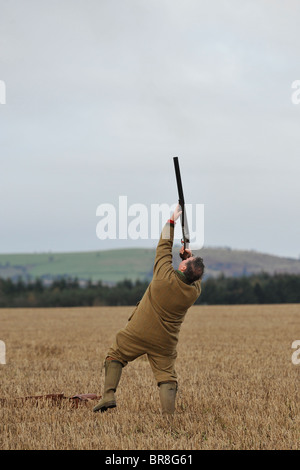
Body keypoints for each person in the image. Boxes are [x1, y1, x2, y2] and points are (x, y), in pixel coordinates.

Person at [93, 204, 205, 417]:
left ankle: (108, 396)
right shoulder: (193, 292)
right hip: (165, 341)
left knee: (115, 354)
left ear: (182, 267)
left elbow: (163, 247)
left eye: (186, 261)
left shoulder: (163, 275)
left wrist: (171, 221)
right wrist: (187, 261)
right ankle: (168, 417)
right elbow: (194, 280)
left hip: (139, 331)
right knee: (166, 376)